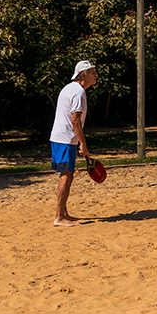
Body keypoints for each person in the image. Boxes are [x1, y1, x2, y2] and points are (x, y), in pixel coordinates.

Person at [50, 60, 98, 227]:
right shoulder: (78, 92)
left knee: (67, 175)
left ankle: (63, 213)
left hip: (62, 139)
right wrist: (83, 144)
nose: (95, 75)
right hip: (65, 140)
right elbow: (75, 121)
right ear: (84, 74)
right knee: (66, 175)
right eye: (93, 72)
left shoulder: (70, 88)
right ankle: (59, 217)